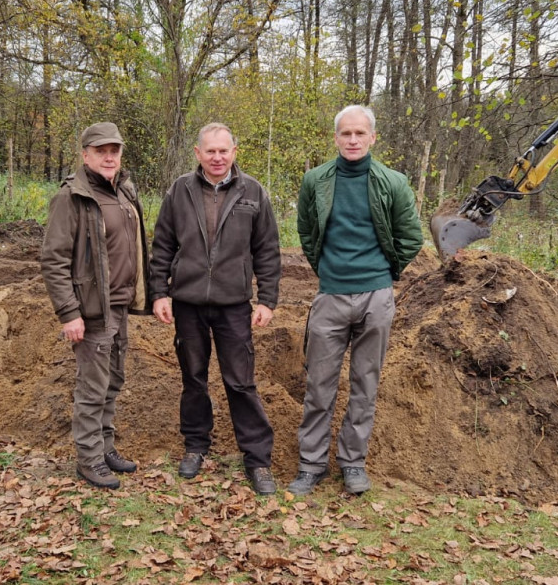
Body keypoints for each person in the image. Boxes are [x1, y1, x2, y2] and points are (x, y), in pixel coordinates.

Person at [288, 105, 423, 496]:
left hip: (376, 298)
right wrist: (326, 271)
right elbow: (307, 232)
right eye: (345, 133)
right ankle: (311, 465)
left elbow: (410, 237)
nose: (352, 140)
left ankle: (353, 463)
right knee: (319, 386)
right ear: (335, 138)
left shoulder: (393, 182)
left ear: (372, 138)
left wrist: (385, 274)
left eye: (359, 134)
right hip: (330, 296)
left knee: (365, 385)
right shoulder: (315, 180)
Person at [149, 122, 282, 495]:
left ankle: (257, 459)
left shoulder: (253, 192)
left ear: (234, 152)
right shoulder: (180, 190)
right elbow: (162, 246)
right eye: (210, 151)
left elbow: (267, 251)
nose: (217, 157)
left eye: (224, 150)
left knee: (240, 382)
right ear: (198, 154)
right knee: (193, 378)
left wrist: (267, 299)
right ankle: (195, 446)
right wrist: (160, 293)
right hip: (188, 303)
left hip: (234, 305)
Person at [40, 121, 150, 490]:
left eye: (114, 150)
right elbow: (54, 259)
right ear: (85, 155)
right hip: (90, 310)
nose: (108, 156)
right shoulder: (71, 198)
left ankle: (105, 448)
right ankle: (88, 459)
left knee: (112, 381)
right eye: (101, 150)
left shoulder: (125, 192)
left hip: (119, 305)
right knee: (92, 386)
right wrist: (69, 313)